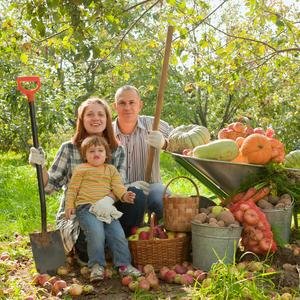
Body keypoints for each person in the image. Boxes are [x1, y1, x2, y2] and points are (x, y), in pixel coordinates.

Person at [28, 97, 146, 265]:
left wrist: (107, 201)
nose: (96, 118)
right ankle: (91, 251)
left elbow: (120, 186)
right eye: (90, 114)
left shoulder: (117, 149)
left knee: (137, 195)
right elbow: (50, 187)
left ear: (107, 119)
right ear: (82, 120)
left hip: (109, 210)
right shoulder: (68, 148)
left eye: (101, 114)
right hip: (80, 212)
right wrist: (40, 167)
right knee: (88, 237)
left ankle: (116, 246)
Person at [65, 135, 140, 282]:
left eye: (100, 150)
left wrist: (125, 196)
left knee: (117, 234)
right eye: (91, 151)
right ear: (85, 155)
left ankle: (124, 265)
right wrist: (69, 205)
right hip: (86, 207)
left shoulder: (110, 169)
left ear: (106, 154)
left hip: (106, 208)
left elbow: (118, 187)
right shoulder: (81, 169)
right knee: (96, 233)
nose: (96, 154)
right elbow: (72, 189)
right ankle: (97, 265)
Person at [113, 85, 174, 226]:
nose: (127, 107)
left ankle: (167, 238)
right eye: (122, 103)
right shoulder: (107, 132)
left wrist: (165, 143)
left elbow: (182, 141)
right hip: (119, 191)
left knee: (163, 198)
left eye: (132, 102)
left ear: (140, 105)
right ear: (115, 106)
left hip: (150, 186)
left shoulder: (153, 123)